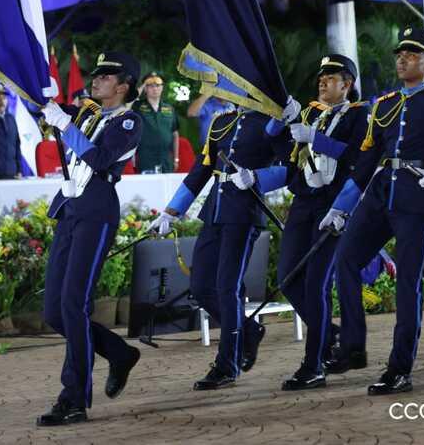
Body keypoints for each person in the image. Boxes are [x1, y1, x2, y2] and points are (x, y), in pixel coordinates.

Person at [323, 27, 424, 395]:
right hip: (381, 193)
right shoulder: (383, 104)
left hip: (416, 194)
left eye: (410, 55)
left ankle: (399, 368)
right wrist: (340, 207)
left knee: (408, 283)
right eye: (399, 54)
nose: (401, 59)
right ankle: (353, 346)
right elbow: (364, 163)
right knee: (345, 259)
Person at [149, 94, 294, 390]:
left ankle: (227, 364)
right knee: (202, 288)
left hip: (244, 212)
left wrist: (258, 177)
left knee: (228, 288)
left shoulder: (270, 123)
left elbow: (291, 168)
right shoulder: (221, 122)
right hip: (214, 211)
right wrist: (171, 211)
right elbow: (201, 171)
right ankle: (249, 330)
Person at [37, 51, 143, 426]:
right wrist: (39, 88)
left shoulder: (129, 122)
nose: (95, 80)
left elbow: (100, 159)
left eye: (105, 76)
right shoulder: (85, 114)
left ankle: (74, 397)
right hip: (70, 210)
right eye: (95, 75)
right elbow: (42, 105)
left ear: (123, 86)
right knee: (54, 311)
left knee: (74, 305)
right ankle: (118, 352)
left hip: (97, 213)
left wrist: (64, 124)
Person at [260, 54, 370, 391]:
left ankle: (314, 365)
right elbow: (272, 137)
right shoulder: (311, 114)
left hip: (333, 204)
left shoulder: (359, 114)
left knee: (316, 284)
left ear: (347, 84)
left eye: (331, 77)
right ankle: (329, 335)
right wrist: (285, 116)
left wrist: (317, 139)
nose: (322, 82)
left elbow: (358, 156)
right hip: (303, 202)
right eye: (321, 77)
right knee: (288, 278)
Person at [132, 72, 179, 173]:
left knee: (166, 187)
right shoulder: (137, 106)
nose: (155, 88)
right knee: (147, 187)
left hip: (166, 157)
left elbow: (175, 134)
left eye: (158, 85)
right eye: (150, 85)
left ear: (162, 88)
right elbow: (128, 101)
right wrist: (144, 84)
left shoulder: (169, 108)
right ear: (145, 89)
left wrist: (176, 158)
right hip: (145, 156)